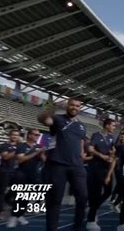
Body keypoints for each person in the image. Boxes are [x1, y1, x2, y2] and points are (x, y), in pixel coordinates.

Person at [38, 97, 88, 231]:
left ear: (80, 108)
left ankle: (77, 227)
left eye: (77, 106)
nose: (74, 108)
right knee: (54, 201)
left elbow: (81, 143)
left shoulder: (81, 125)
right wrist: (51, 109)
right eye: (72, 105)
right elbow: (43, 119)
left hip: (76, 166)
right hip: (57, 165)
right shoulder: (57, 119)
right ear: (67, 105)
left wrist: (82, 156)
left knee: (83, 197)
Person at [7, 129, 46, 228]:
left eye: (38, 135)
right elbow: (20, 159)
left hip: (33, 175)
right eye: (35, 134)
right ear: (29, 135)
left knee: (27, 198)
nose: (37, 136)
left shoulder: (38, 147)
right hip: (22, 174)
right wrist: (35, 153)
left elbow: (43, 159)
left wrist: (42, 153)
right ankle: (13, 216)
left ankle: (20, 215)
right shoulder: (21, 146)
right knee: (19, 197)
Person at [87, 118, 117, 230]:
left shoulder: (111, 137)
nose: (114, 128)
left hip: (106, 168)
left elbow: (113, 150)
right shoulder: (96, 135)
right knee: (96, 192)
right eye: (113, 125)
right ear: (107, 125)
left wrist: (112, 153)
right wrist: (102, 156)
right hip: (96, 167)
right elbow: (90, 149)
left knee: (108, 191)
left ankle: (93, 208)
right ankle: (91, 219)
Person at [0, 129, 20, 220]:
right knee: (1, 192)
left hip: (15, 172)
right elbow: (5, 157)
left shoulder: (19, 146)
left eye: (17, 135)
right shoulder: (4, 145)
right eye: (13, 135)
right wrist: (16, 151)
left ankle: (7, 200)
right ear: (10, 135)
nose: (15, 136)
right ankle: (0, 211)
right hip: (5, 171)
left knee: (16, 189)